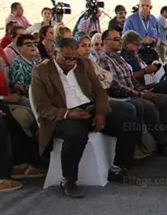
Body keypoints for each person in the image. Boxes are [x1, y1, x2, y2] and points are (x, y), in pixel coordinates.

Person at [30, 38, 142, 197]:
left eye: (73, 58)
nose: (70, 62)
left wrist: (101, 112)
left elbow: (100, 91)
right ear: (54, 53)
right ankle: (68, 180)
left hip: (89, 109)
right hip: (62, 115)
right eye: (66, 58)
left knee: (130, 123)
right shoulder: (41, 72)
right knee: (75, 134)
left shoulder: (84, 64)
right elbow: (42, 107)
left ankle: (117, 169)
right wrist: (68, 113)